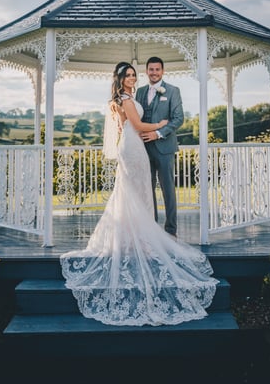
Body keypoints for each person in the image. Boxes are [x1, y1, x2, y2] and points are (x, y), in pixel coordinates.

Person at [60, 61, 218, 327]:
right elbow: (136, 123)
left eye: (134, 74)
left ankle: (151, 233)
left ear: (161, 72)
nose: (133, 78)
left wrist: (161, 128)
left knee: (138, 193)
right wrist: (158, 124)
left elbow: (166, 119)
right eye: (128, 75)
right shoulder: (130, 97)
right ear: (120, 79)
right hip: (135, 147)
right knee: (137, 193)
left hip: (145, 147)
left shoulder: (141, 95)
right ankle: (140, 238)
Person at [135, 56, 183, 238]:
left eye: (157, 69)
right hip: (143, 149)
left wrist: (158, 133)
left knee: (167, 189)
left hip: (164, 147)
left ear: (162, 71)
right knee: (147, 189)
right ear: (146, 71)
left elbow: (179, 119)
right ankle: (151, 227)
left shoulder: (172, 91)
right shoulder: (139, 92)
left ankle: (171, 230)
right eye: (151, 69)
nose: (154, 72)